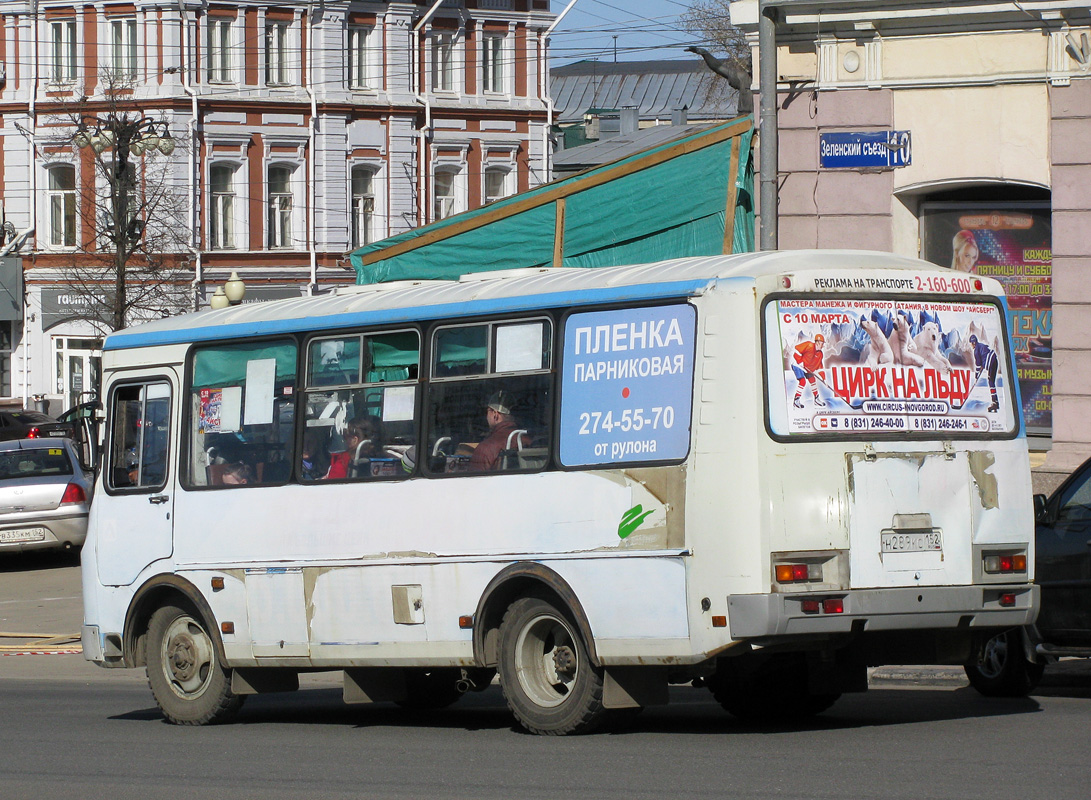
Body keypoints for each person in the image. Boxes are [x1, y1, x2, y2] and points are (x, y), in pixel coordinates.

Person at [468, 391, 525, 472]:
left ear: (495, 414)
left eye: (487, 410)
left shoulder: (486, 448)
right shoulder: (528, 440)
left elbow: (474, 481)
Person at [792, 334, 826, 409]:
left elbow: (820, 365)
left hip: (807, 368)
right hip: (798, 365)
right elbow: (796, 350)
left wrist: (823, 377)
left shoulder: (820, 354)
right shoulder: (809, 345)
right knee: (802, 381)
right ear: (818, 342)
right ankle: (796, 400)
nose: (823, 345)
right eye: (822, 343)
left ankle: (816, 399)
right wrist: (800, 361)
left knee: (812, 380)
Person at [969, 333, 1000, 413]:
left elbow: (978, 364)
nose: (971, 345)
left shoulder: (976, 350)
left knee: (990, 381)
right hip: (995, 361)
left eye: (971, 343)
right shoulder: (981, 345)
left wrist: (976, 375)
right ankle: (995, 402)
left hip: (991, 362)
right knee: (991, 381)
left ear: (973, 343)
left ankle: (995, 403)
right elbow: (983, 358)